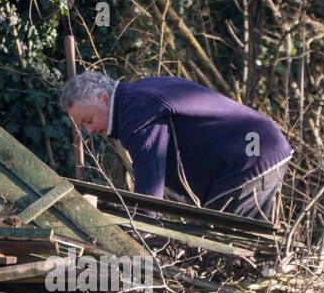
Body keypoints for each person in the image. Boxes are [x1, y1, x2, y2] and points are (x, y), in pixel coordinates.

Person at [60, 70, 292, 226]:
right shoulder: (138, 95)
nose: (88, 131)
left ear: (105, 99)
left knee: (229, 247)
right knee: (256, 248)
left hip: (249, 159)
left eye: (88, 120)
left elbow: (150, 187)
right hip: (261, 148)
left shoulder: (136, 110)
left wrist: (139, 237)